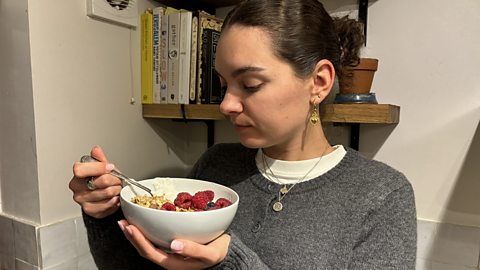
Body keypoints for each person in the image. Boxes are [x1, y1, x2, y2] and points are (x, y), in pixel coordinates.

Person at [69, 0, 417, 269]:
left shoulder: (382, 196)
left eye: (250, 84)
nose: (226, 105)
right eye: (224, 85)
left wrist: (231, 261)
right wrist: (103, 215)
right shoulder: (217, 166)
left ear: (319, 82)